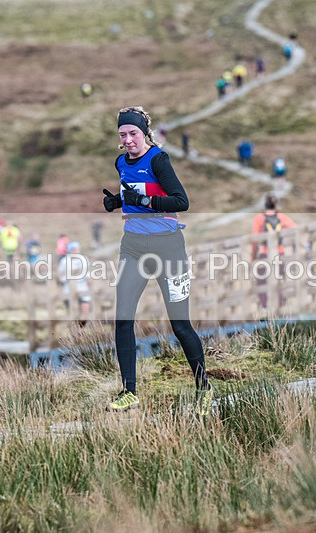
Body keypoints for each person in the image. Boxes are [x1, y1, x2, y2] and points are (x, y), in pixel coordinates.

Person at [102, 105, 212, 415]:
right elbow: (132, 192)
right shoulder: (121, 162)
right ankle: (129, 392)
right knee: (123, 319)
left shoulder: (159, 160)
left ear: (144, 133)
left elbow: (181, 201)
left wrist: (145, 201)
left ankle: (204, 389)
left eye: (133, 134)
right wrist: (118, 201)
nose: (128, 140)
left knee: (180, 325)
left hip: (168, 249)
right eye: (122, 135)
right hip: (134, 247)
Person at [251, 195, 297, 308]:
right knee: (277, 281)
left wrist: (253, 255)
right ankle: (279, 307)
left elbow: (254, 239)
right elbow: (296, 228)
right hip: (279, 253)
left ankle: (266, 307)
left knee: (262, 282)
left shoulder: (259, 218)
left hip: (264, 253)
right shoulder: (282, 217)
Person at [57, 240, 91, 322]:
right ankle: (74, 331)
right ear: (69, 251)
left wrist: (89, 279)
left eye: (77, 249)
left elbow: (88, 273)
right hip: (69, 289)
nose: (76, 252)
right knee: (73, 314)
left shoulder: (84, 259)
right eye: (74, 250)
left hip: (83, 289)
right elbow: (60, 276)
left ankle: (81, 330)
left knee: (84, 315)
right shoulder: (64, 261)